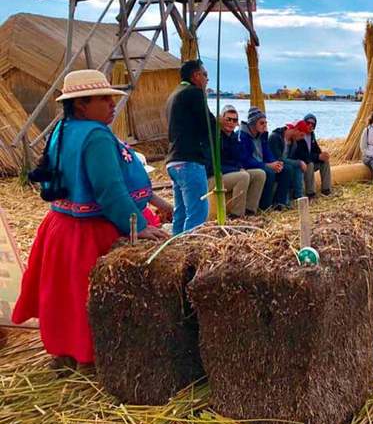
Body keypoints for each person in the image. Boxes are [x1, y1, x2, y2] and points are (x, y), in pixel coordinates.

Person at [13, 70, 168, 372]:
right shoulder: (95, 135)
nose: (112, 104)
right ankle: (90, 359)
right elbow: (109, 190)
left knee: (63, 294)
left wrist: (154, 202)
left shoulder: (62, 128)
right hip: (89, 231)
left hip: (59, 226)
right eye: (104, 99)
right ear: (82, 104)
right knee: (90, 295)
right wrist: (138, 224)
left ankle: (64, 354)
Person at [165, 59, 217, 234]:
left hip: (174, 161)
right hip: (190, 161)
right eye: (205, 75)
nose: (207, 80)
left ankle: (175, 249)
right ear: (196, 76)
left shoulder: (173, 95)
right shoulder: (194, 93)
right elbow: (208, 124)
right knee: (197, 214)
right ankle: (188, 253)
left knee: (180, 214)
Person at [206, 105, 266, 217]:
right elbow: (213, 165)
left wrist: (239, 167)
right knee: (243, 176)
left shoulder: (234, 137)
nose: (231, 122)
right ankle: (237, 214)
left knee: (259, 174)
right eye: (228, 119)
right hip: (214, 177)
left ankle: (250, 210)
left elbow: (237, 158)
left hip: (230, 173)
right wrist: (237, 169)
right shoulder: (215, 137)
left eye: (234, 120)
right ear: (221, 119)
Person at [238, 108, 292, 211]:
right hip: (249, 166)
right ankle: (265, 207)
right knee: (269, 172)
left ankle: (279, 204)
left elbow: (267, 153)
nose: (264, 125)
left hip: (262, 164)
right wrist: (266, 165)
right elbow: (245, 159)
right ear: (253, 123)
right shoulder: (242, 136)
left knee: (287, 169)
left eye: (265, 123)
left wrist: (275, 163)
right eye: (261, 123)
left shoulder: (262, 135)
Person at [269, 120, 312, 201]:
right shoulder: (275, 137)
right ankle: (283, 201)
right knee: (291, 168)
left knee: (297, 168)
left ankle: (299, 196)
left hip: (285, 166)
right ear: (296, 130)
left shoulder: (293, 143)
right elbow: (278, 158)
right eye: (301, 135)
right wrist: (299, 162)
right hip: (274, 165)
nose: (301, 138)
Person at [294, 113, 332, 198]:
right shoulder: (300, 136)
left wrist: (322, 155)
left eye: (313, 124)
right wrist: (317, 157)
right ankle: (310, 192)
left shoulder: (312, 136)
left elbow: (316, 150)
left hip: (309, 160)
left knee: (325, 162)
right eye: (308, 123)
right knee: (309, 163)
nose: (310, 126)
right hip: (302, 164)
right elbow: (300, 154)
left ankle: (326, 189)